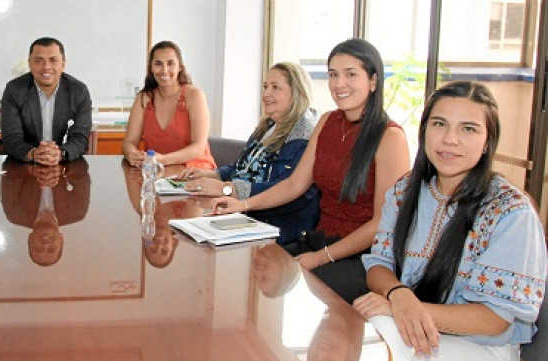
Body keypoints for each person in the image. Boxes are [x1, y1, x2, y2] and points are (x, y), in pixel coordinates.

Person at [352, 81, 546, 361]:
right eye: (439, 124)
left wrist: (402, 307)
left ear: (487, 142)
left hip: (481, 348)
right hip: (405, 328)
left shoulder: (510, 211)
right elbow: (378, 265)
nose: (450, 139)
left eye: (468, 129)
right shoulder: (405, 191)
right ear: (424, 131)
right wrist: (399, 296)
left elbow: (495, 320)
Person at [211, 38, 411, 303]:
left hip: (362, 258)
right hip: (317, 240)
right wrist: (242, 204)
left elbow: (381, 224)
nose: (339, 84)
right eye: (333, 75)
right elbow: (295, 184)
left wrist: (321, 257)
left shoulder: (390, 137)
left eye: (351, 74)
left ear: (373, 81)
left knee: (300, 292)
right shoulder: (327, 121)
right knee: (246, 266)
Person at [181, 62, 320, 244]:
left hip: (274, 229)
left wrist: (228, 189)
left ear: (297, 93)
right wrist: (213, 174)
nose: (266, 94)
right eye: (265, 86)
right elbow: (242, 168)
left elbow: (287, 189)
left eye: (275, 87)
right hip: (242, 214)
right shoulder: (267, 126)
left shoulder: (305, 135)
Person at [122, 40, 216, 169]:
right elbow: (129, 141)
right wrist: (131, 153)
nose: (164, 70)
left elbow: (198, 148)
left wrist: (163, 160)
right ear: (151, 68)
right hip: (159, 172)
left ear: (180, 67)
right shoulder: (143, 98)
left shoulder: (195, 95)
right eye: (158, 64)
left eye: (170, 63)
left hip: (196, 171)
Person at [0, 37, 92, 166]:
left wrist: (60, 153)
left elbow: (80, 138)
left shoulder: (78, 91)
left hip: (65, 165)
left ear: (63, 64)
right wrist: (34, 154)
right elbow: (11, 138)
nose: (46, 67)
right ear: (30, 63)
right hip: (24, 165)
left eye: (53, 60)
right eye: (38, 61)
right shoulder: (14, 90)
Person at [1, 158, 90, 266]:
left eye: (37, 248)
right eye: (52, 249)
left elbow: (9, 170)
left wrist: (32, 168)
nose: (45, 244)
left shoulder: (15, 214)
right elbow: (81, 171)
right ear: (61, 239)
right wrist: (63, 168)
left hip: (25, 155)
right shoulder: (77, 212)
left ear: (29, 239)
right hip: (63, 155)